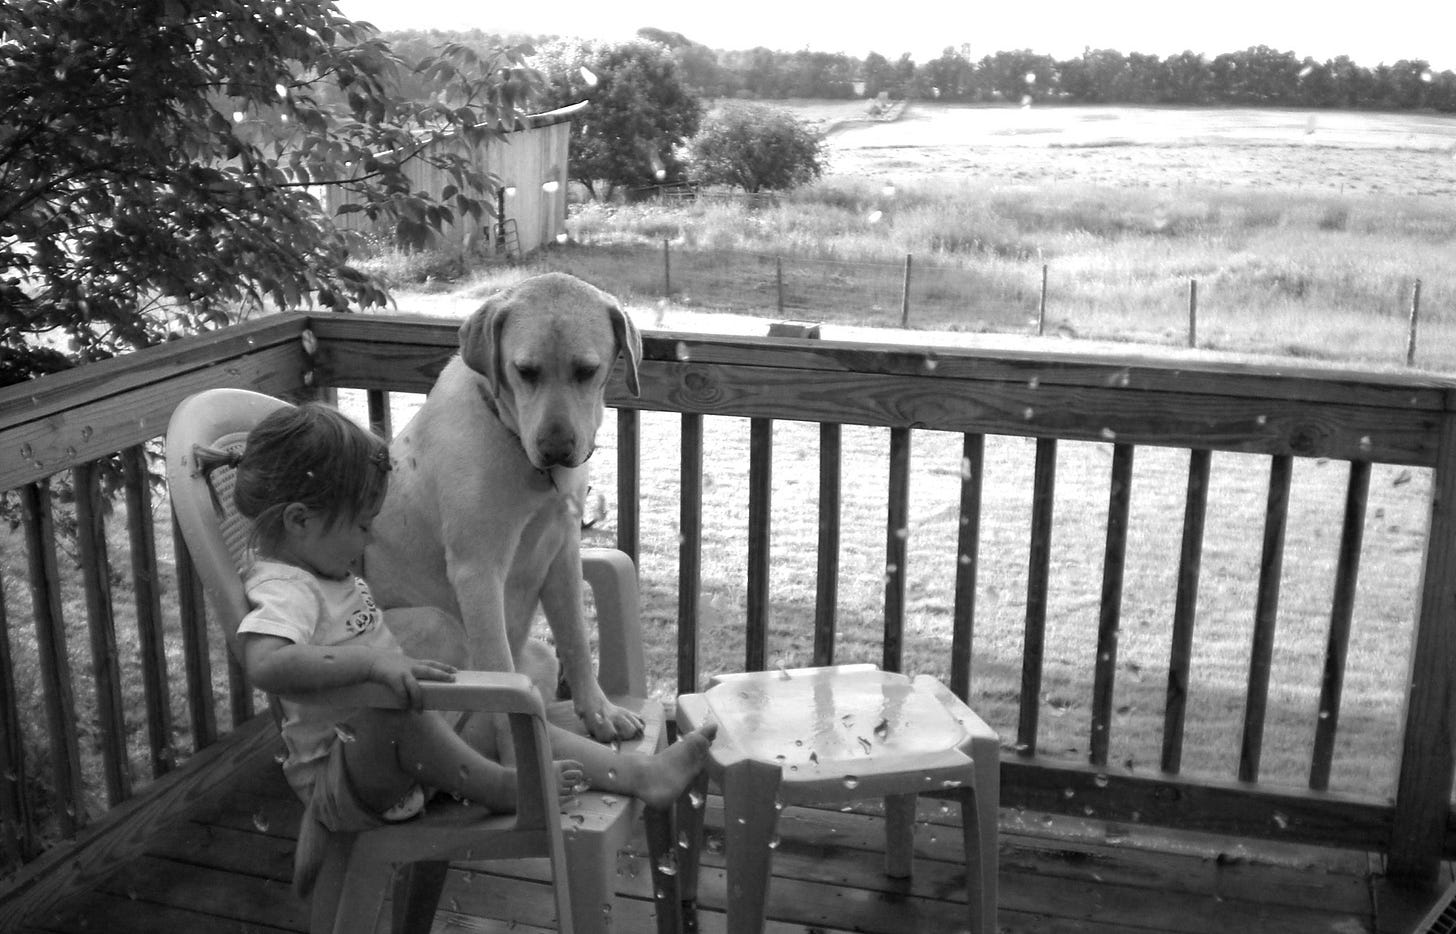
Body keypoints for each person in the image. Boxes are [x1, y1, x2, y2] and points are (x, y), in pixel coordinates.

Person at [208, 402, 716, 895]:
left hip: (408, 762)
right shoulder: (285, 587)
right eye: (363, 526)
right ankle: (502, 786)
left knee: (508, 714)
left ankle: (641, 775)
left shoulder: (326, 570)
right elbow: (266, 663)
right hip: (350, 769)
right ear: (300, 522)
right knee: (394, 715)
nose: (368, 543)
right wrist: (372, 664)